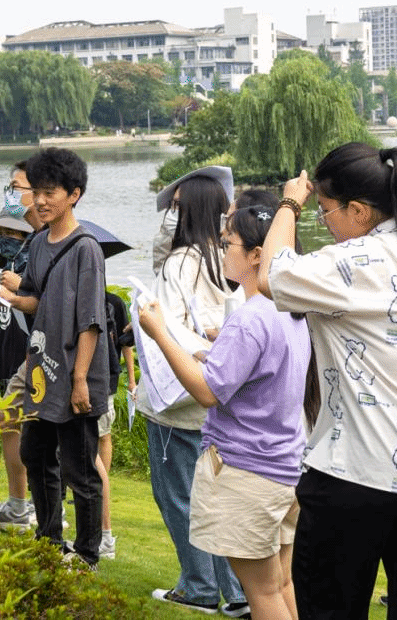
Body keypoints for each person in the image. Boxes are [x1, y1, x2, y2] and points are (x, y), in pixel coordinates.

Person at [259, 144, 397, 620]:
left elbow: (270, 275)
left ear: (357, 210)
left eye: (325, 213)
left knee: (329, 607)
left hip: (358, 473)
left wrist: (289, 204)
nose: (325, 225)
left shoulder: (354, 260)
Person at [139, 204, 311, 619]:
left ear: (257, 255)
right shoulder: (291, 309)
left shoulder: (250, 317)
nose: (222, 252)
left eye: (228, 243)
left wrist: (160, 333)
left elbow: (207, 392)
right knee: (281, 583)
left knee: (263, 594)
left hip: (248, 471)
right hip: (286, 465)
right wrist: (207, 349)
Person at [135, 166, 248, 617]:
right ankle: (238, 592)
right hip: (219, 398)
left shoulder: (183, 260)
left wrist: (148, 323)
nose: (170, 214)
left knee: (178, 495)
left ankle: (199, 587)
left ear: (190, 209)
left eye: (177, 206)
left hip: (176, 399)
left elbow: (175, 327)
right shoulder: (230, 259)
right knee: (217, 498)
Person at [0, 147, 109, 568]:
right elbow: (38, 302)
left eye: (51, 193)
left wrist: (81, 379)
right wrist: (9, 297)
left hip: (76, 376)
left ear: (74, 194)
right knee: (35, 454)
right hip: (42, 373)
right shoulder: (39, 243)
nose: (41, 201)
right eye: (37, 192)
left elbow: (91, 322)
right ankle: (49, 542)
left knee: (80, 471)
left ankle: (87, 555)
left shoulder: (87, 250)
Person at [0, 163, 42, 528]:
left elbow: (38, 309)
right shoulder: (7, 265)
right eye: (3, 230)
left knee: (25, 431)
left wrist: (19, 285)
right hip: (9, 360)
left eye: (16, 187)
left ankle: (27, 506)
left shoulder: (38, 255)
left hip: (32, 358)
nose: (7, 235)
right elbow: (3, 323)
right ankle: (20, 503)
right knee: (9, 427)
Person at [96, 290, 136, 560]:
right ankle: (100, 483)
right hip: (95, 379)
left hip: (106, 377)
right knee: (97, 438)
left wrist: (131, 380)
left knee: (103, 435)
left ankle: (104, 534)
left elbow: (126, 343)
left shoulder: (113, 302)